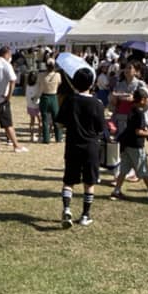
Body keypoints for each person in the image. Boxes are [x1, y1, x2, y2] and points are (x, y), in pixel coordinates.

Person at [55, 54, 104, 228]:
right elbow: (100, 128)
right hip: (91, 146)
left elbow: (60, 124)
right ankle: (85, 215)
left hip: (73, 144)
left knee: (69, 180)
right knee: (89, 182)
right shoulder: (97, 104)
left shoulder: (70, 101)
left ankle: (67, 209)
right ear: (91, 84)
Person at [109, 88, 148, 201]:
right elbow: (138, 131)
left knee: (124, 169)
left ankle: (116, 191)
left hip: (126, 144)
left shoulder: (131, 109)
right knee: (144, 169)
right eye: (147, 98)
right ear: (142, 100)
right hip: (135, 145)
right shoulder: (139, 113)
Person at [0, 47, 27, 153]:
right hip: (2, 99)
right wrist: (9, 96)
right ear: (6, 54)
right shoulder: (6, 65)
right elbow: (13, 80)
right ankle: (16, 145)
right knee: (7, 124)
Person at [37, 58, 61, 143]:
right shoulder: (58, 75)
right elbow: (59, 83)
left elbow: (39, 86)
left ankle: (46, 139)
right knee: (56, 119)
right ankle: (58, 137)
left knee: (44, 120)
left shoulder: (41, 75)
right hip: (53, 96)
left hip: (44, 97)